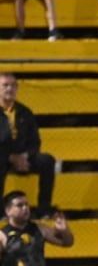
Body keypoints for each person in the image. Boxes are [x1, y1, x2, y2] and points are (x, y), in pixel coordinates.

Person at [0, 72, 57, 220]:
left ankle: (44, 209)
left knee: (47, 161)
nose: (9, 89)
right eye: (5, 85)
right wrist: (10, 157)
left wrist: (26, 156)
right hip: (2, 157)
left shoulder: (25, 112)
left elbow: (35, 141)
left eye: (13, 85)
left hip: (23, 156)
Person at [0, 190, 73, 266]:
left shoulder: (39, 229)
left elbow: (67, 242)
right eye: (20, 205)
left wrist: (64, 230)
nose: (25, 208)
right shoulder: (3, 236)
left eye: (26, 204)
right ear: (8, 210)